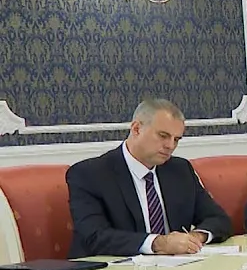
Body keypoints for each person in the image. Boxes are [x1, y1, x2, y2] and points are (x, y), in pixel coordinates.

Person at [66, 98, 231, 258]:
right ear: (136, 129)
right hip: (113, 269)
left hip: (175, 268)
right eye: (163, 136)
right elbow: (95, 237)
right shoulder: (89, 174)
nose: (170, 146)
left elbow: (218, 219)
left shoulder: (180, 170)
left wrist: (195, 238)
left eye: (176, 139)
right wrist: (158, 243)